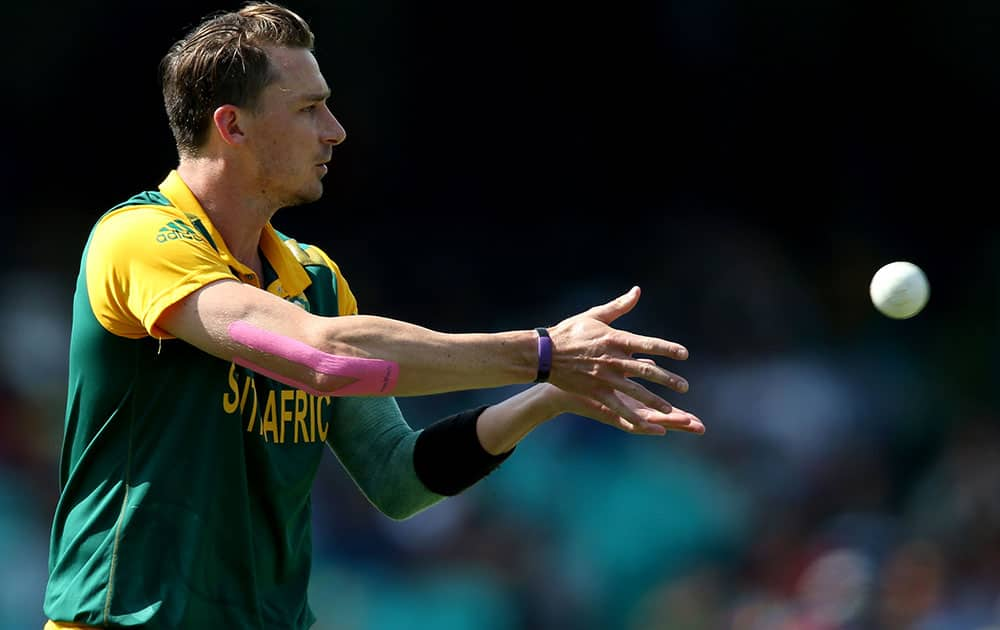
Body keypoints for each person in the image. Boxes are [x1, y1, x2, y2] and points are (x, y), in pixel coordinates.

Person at [42, 2, 704, 628]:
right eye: (309, 109)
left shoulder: (317, 282)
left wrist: (547, 394)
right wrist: (542, 349)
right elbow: (322, 357)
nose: (336, 130)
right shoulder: (138, 241)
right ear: (232, 126)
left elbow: (398, 476)